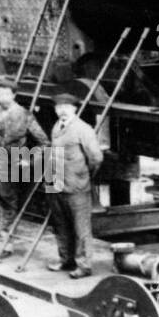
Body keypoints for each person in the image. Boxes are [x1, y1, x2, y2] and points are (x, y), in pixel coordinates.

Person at [0, 78, 47, 260]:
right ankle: (4, 242)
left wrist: (30, 160)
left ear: (14, 95)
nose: (3, 97)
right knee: (3, 203)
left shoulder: (24, 114)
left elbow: (44, 143)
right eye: (0, 94)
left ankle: (4, 244)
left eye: (7, 94)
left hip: (18, 165)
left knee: (9, 204)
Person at [45, 93, 104, 278]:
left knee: (81, 228)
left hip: (77, 186)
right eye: (58, 107)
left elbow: (96, 158)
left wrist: (83, 175)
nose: (62, 110)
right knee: (61, 225)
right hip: (56, 184)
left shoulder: (83, 129)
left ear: (74, 109)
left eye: (66, 107)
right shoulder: (57, 127)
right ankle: (66, 260)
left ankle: (84, 266)